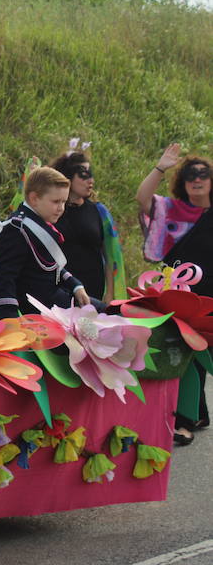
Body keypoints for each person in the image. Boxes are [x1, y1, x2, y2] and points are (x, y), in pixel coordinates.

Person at [137, 143, 213, 445]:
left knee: (198, 353)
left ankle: (194, 413)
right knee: (182, 352)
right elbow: (143, 199)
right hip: (176, 293)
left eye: (203, 175)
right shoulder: (172, 210)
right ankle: (184, 419)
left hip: (208, 296)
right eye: (190, 176)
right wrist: (160, 167)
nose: (197, 180)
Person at [0, 167, 91, 320]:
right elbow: (5, 277)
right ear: (34, 198)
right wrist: (10, 318)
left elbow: (52, 266)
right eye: (56, 202)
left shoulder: (40, 221)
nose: (61, 208)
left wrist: (75, 285)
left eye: (64, 202)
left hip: (55, 302)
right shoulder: (17, 229)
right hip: (36, 314)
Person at [51, 148, 124, 303]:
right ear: (67, 177)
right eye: (84, 175)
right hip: (58, 292)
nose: (91, 180)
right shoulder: (51, 210)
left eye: (91, 174)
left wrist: (110, 295)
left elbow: (111, 256)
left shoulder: (99, 212)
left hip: (93, 295)